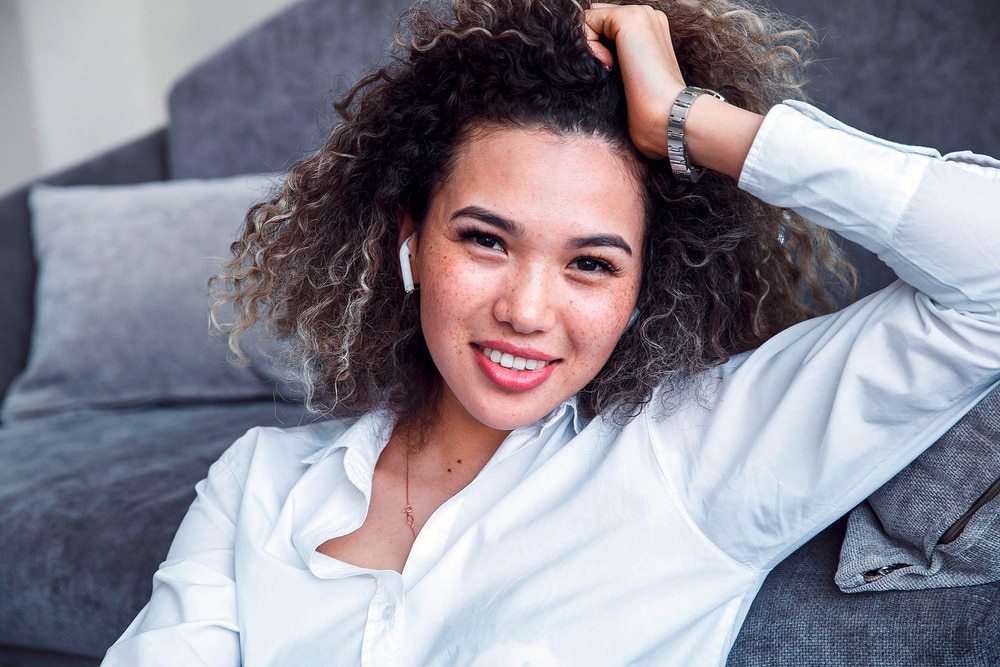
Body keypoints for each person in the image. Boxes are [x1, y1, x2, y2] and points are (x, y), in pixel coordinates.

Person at [103, 0, 1000, 665]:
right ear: (409, 237)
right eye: (486, 239)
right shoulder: (254, 484)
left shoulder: (694, 459)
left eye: (592, 263)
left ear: (647, 283)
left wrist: (690, 121)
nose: (528, 310)